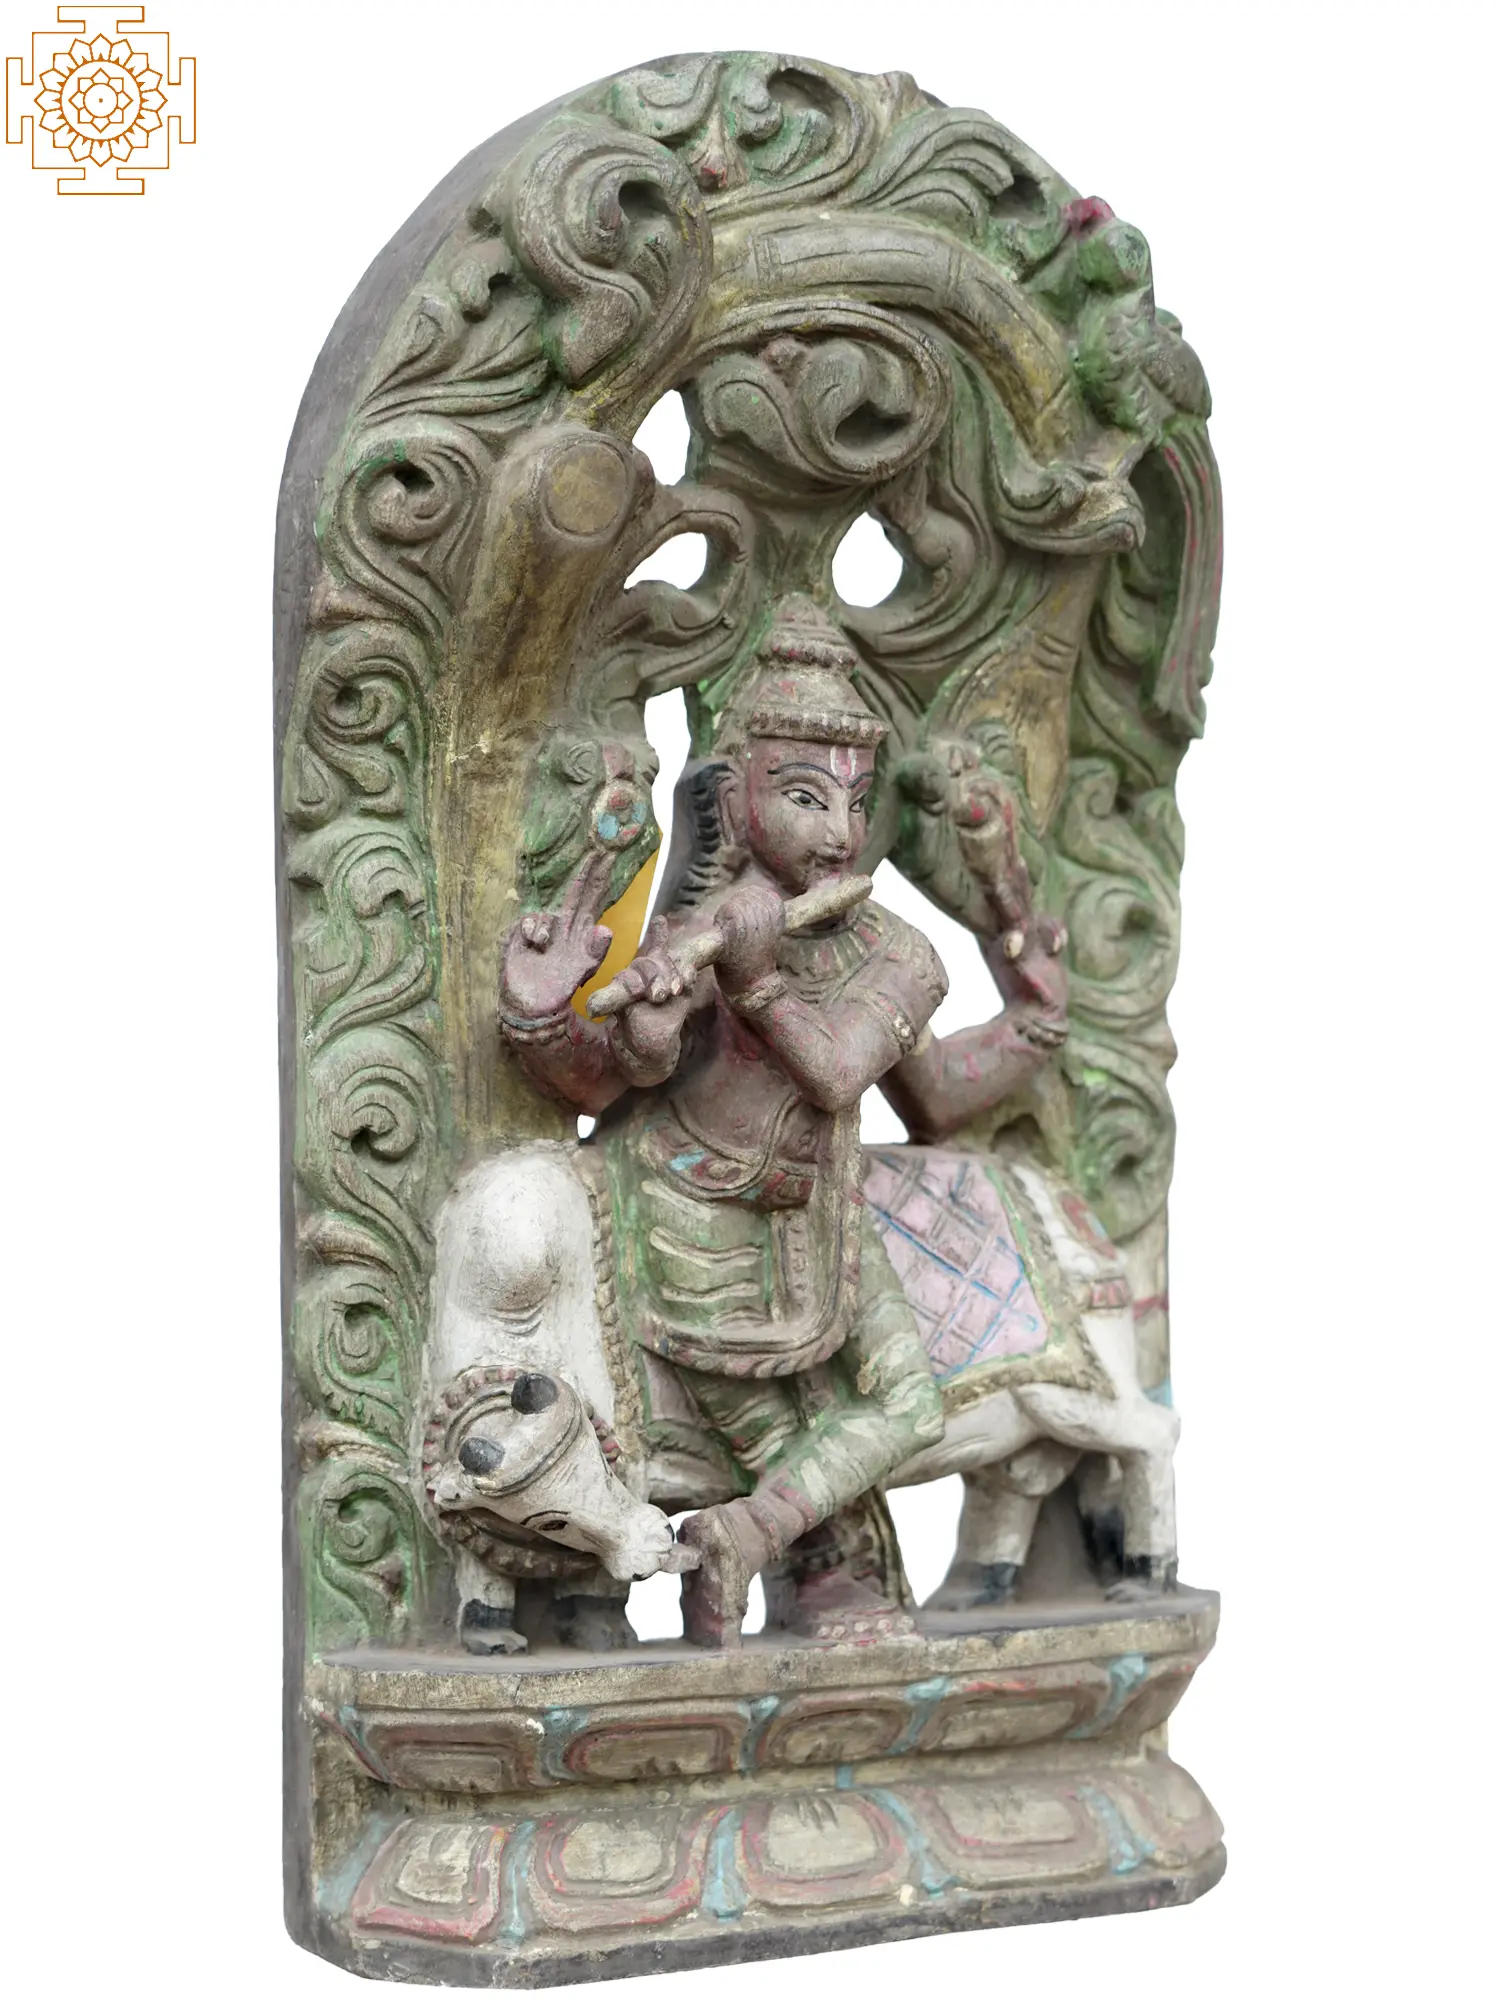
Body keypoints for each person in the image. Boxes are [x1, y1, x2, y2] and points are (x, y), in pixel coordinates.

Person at [498, 597, 950, 1645]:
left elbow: (836, 1074)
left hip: (821, 1221)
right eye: (803, 797)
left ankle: (740, 1535)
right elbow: (615, 1082)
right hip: (687, 1224)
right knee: (782, 1439)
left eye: (855, 802)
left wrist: (755, 981)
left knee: (911, 1405)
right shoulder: (694, 925)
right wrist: (559, 1015)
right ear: (739, 795)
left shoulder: (897, 952)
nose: (838, 834)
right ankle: (778, 1562)